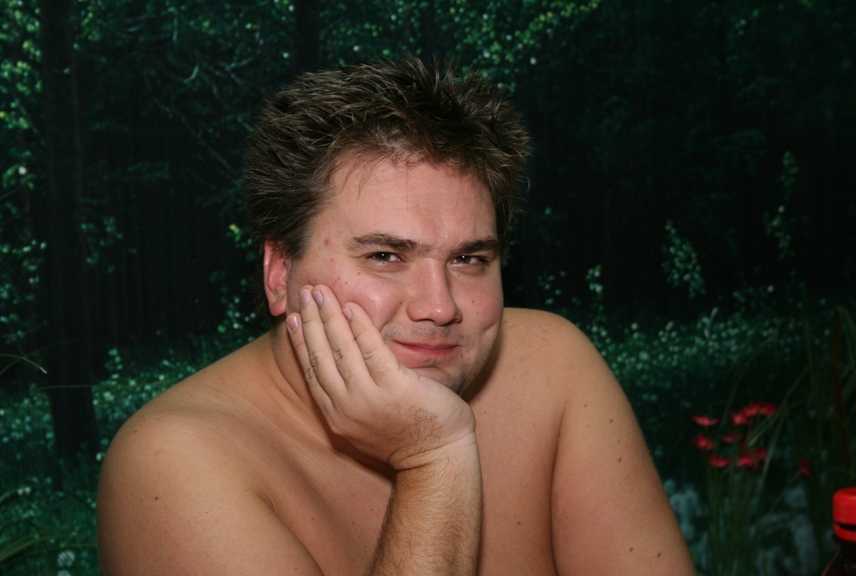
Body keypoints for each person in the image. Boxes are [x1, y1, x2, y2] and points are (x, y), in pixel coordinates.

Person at [97, 58, 693, 575]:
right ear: (280, 273)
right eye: (385, 256)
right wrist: (434, 458)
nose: (439, 306)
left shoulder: (555, 370)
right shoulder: (173, 460)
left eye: (469, 259)